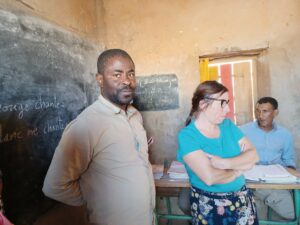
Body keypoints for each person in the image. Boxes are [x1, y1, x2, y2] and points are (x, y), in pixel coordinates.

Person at [42, 49, 155, 225]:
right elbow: (54, 186)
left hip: (146, 218)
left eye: (130, 74)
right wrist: (95, 198)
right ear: (100, 80)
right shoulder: (86, 125)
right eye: (117, 75)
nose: (127, 81)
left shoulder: (135, 115)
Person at [177, 80, 259, 225]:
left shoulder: (228, 125)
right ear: (203, 104)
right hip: (210, 207)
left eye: (227, 103)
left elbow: (253, 155)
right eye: (222, 103)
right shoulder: (187, 136)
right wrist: (238, 170)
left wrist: (224, 163)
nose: (227, 109)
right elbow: (210, 177)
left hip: (242, 200)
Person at [240, 97, 296, 220]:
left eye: (265, 111)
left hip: (277, 179)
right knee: (292, 213)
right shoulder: (243, 131)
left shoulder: (285, 134)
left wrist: (288, 175)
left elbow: (289, 160)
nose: (260, 115)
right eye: (258, 111)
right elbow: (237, 156)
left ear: (275, 112)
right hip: (253, 178)